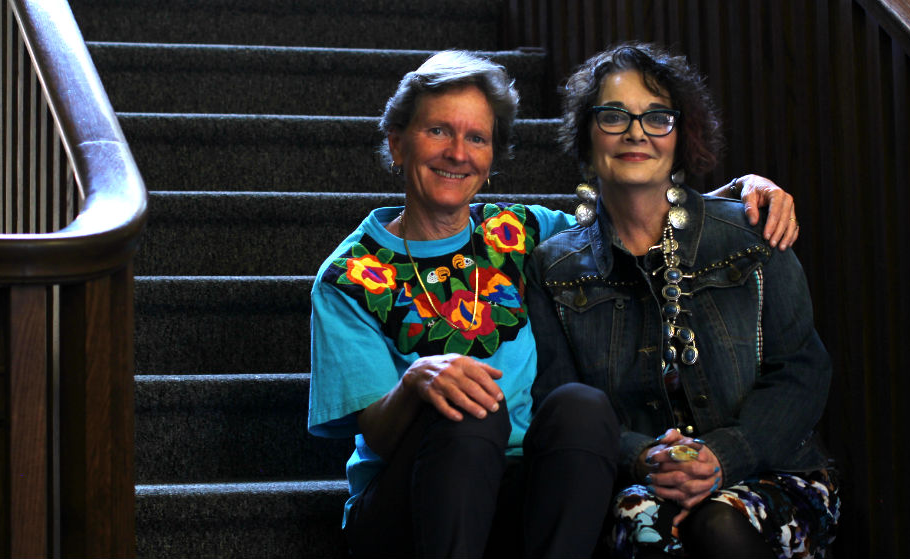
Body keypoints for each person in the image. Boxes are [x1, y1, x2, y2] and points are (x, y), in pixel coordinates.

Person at [308, 50, 800, 558]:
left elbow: (635, 218)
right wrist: (415, 383)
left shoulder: (519, 232)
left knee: (582, 406)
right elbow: (382, 439)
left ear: (492, 160)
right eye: (438, 131)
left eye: (476, 138)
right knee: (471, 407)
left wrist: (740, 192)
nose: (457, 152)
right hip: (411, 505)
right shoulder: (349, 276)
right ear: (397, 143)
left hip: (528, 492)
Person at [527, 42, 840, 559]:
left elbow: (802, 371)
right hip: (640, 484)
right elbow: (556, 399)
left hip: (773, 471)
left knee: (716, 524)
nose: (636, 133)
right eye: (613, 116)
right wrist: (647, 459)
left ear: (681, 133)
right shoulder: (553, 268)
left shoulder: (750, 232)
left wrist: (723, 456)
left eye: (657, 117)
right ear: (586, 132)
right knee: (645, 521)